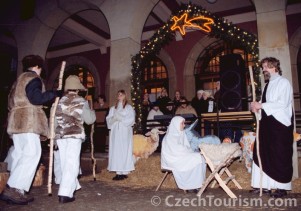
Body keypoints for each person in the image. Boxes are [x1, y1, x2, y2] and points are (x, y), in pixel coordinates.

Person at [0, 55, 58, 205]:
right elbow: (36, 99)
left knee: (20, 154)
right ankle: (13, 187)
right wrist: (54, 93)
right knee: (33, 153)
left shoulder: (17, 81)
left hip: (17, 122)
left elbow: (9, 102)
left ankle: (16, 190)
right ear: (37, 67)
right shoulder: (33, 78)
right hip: (28, 121)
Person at [250, 57, 294, 198]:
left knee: (279, 155)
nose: (264, 70)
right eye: (263, 68)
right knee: (263, 153)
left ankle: (281, 187)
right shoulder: (266, 86)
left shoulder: (284, 83)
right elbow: (264, 105)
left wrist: (261, 105)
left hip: (280, 126)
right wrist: (256, 108)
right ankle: (264, 186)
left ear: (274, 67)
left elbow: (282, 103)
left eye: (266, 67)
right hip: (267, 125)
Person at [54, 75, 96, 203]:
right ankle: (65, 194)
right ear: (77, 89)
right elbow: (90, 120)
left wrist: (54, 137)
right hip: (74, 135)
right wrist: (92, 111)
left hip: (61, 136)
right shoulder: (82, 101)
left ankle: (72, 185)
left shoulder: (59, 101)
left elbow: (54, 121)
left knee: (65, 162)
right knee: (72, 163)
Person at [161, 116, 207, 192]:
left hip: (181, 156)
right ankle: (192, 186)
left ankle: (199, 184)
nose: (184, 125)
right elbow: (175, 150)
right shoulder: (170, 136)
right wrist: (187, 151)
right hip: (173, 159)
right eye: (182, 123)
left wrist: (189, 151)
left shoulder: (181, 133)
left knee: (200, 157)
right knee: (197, 158)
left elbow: (187, 147)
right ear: (176, 124)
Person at [106, 90, 135, 180]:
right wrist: (114, 119)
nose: (119, 96)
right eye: (118, 95)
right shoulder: (113, 108)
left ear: (124, 96)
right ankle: (118, 172)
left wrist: (121, 118)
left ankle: (124, 171)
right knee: (117, 150)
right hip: (116, 132)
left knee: (124, 150)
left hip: (124, 131)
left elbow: (131, 119)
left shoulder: (128, 108)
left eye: (121, 95)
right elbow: (109, 120)